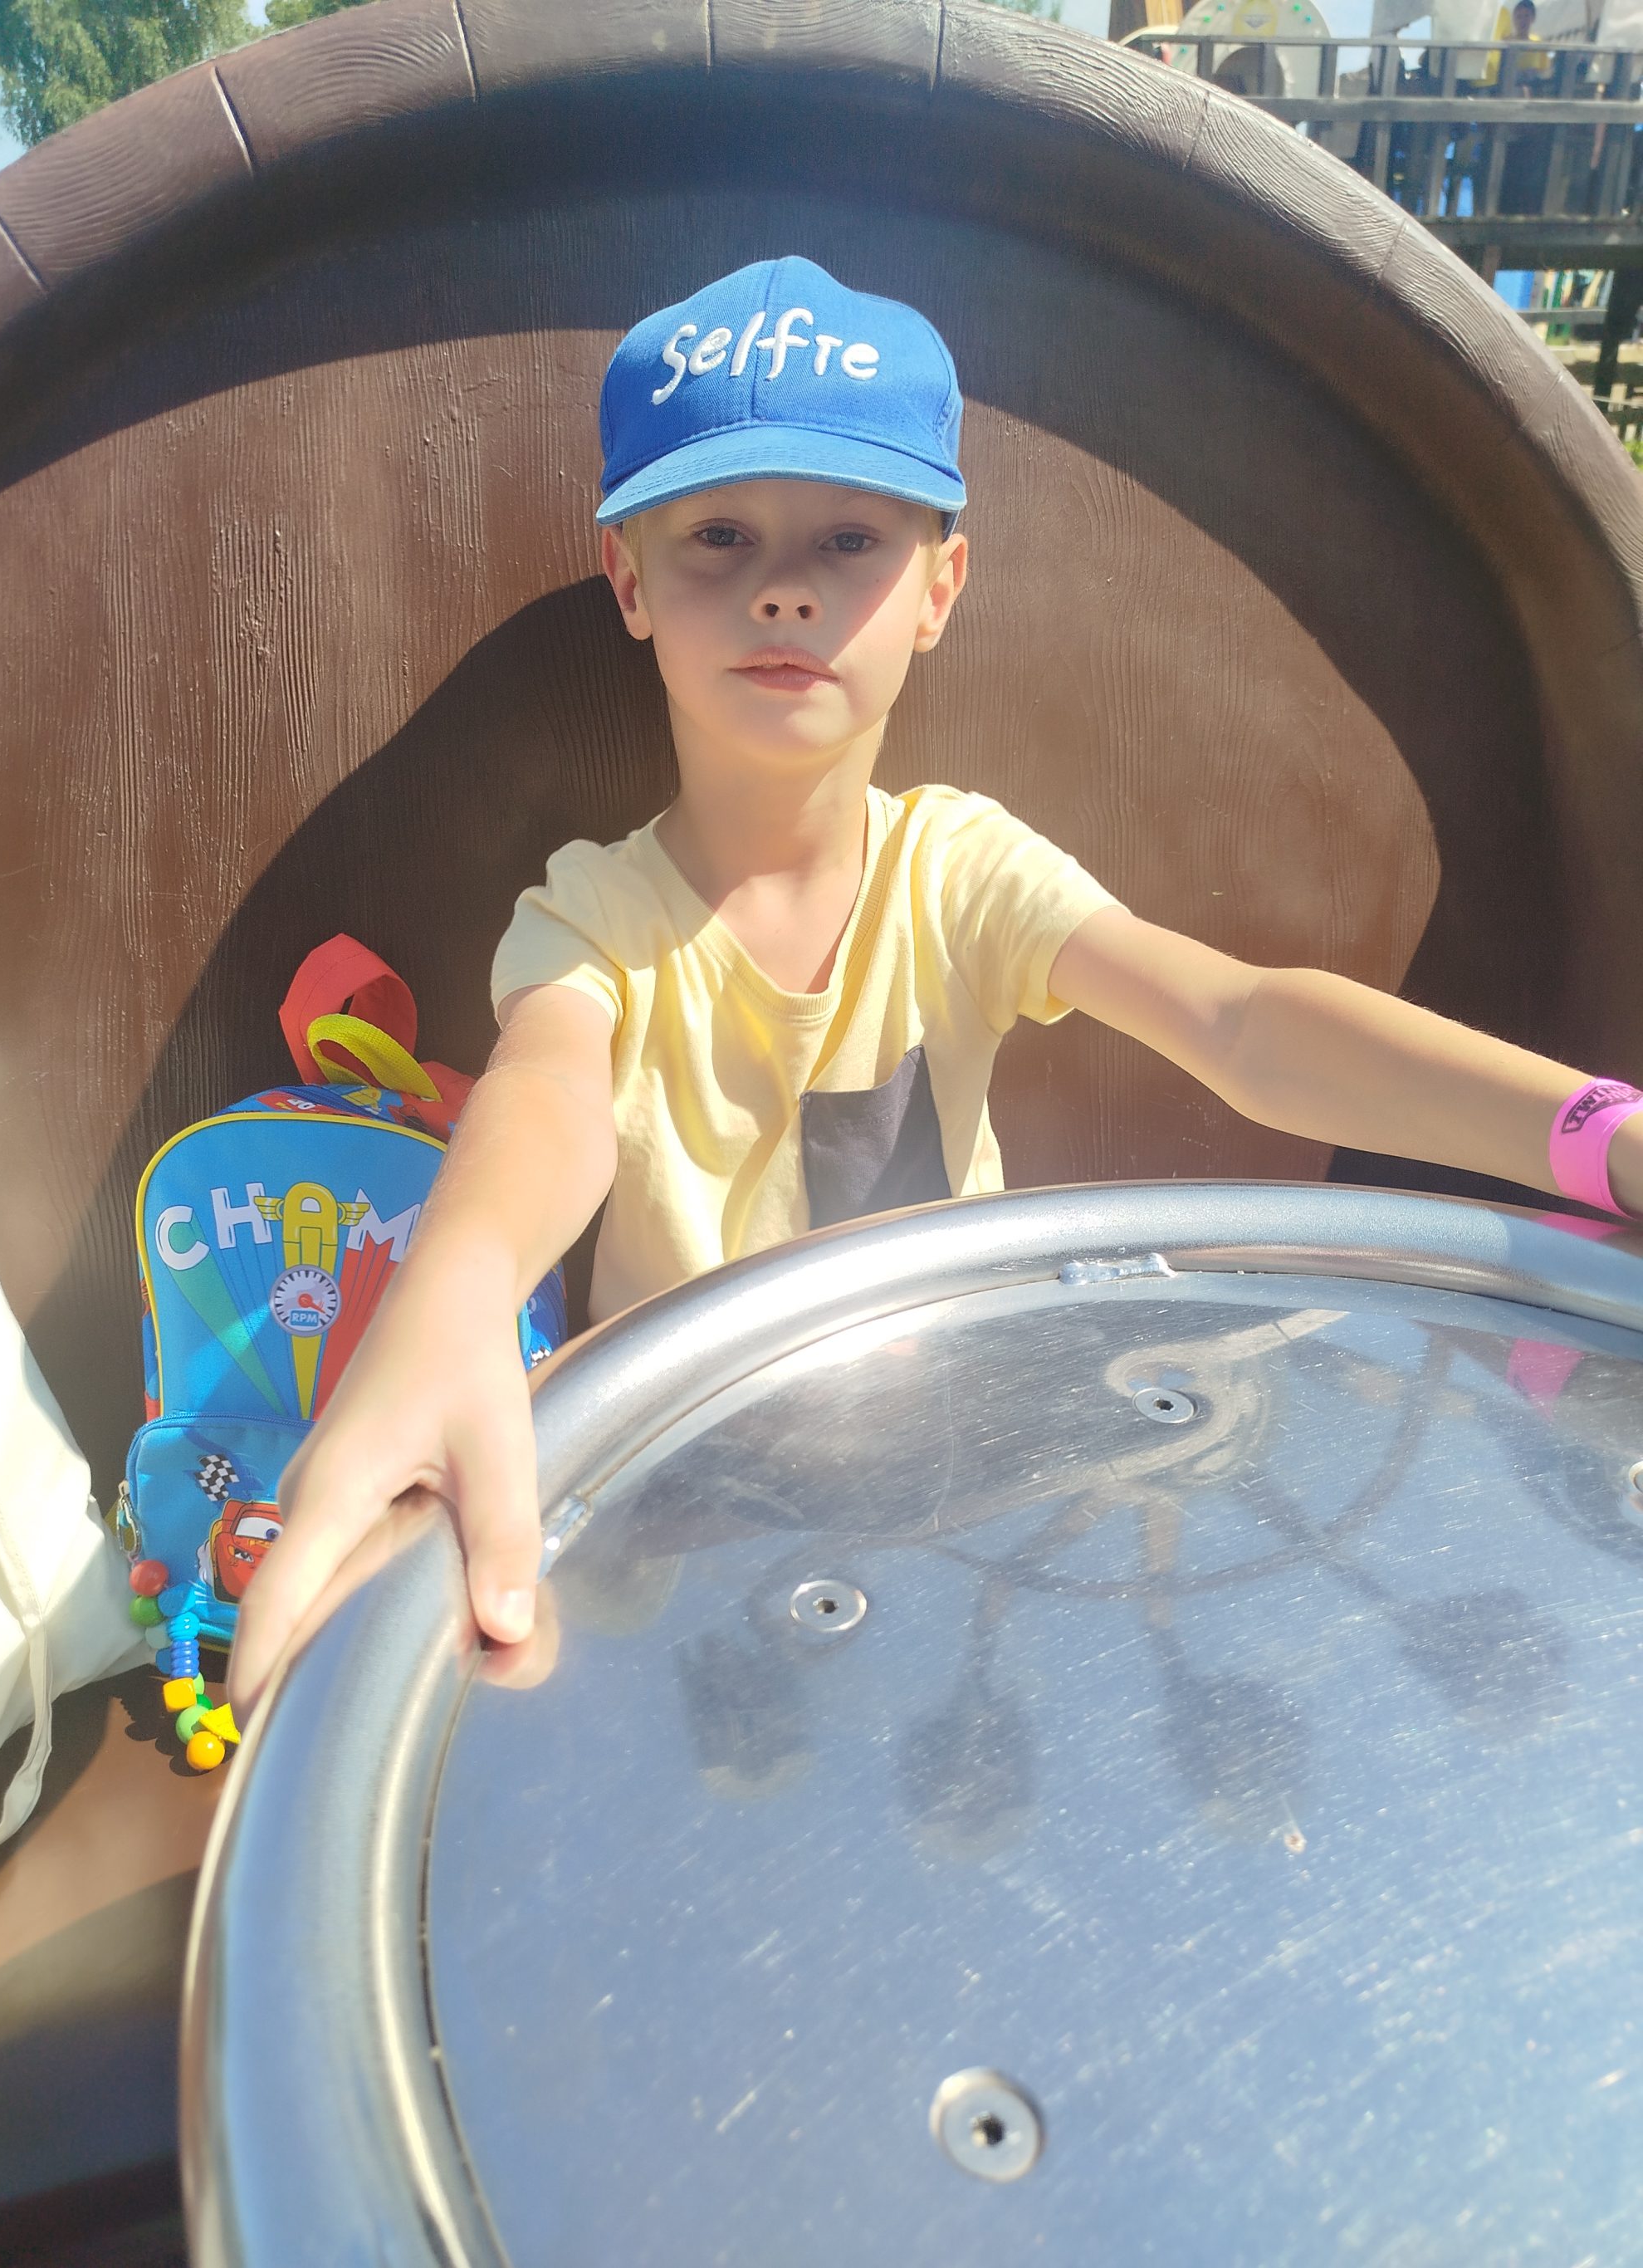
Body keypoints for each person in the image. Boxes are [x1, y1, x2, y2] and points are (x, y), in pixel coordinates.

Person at [228, 256, 1642, 1715]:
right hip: (677, 1510)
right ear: (630, 581)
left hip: (958, 1505)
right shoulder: (596, 912)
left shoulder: (958, 872)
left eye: (850, 537)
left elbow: (1239, 1018)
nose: (783, 586)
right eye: (719, 534)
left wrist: (1597, 1132)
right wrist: (456, 1290)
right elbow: (548, 1092)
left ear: (939, 588)